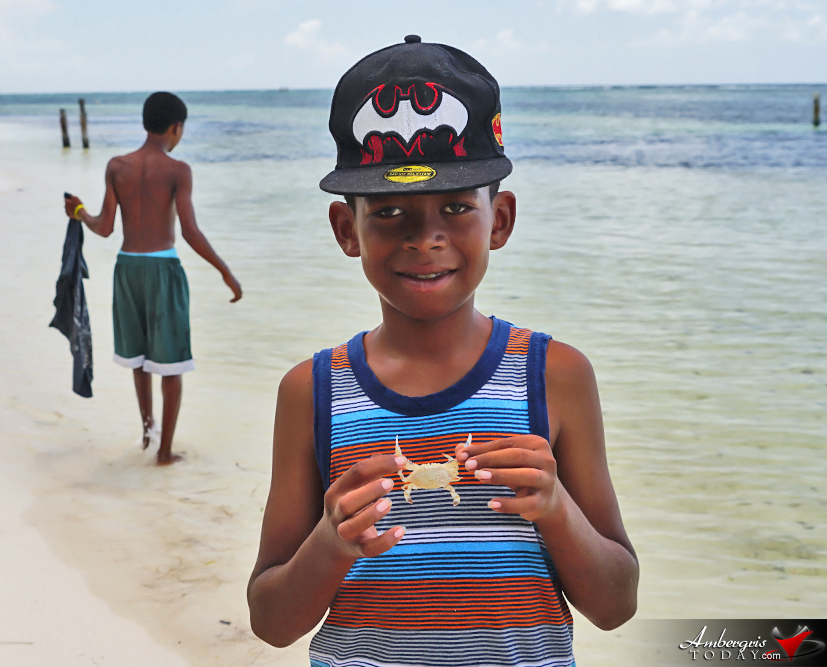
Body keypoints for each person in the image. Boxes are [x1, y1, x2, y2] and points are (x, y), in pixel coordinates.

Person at [247, 36, 638, 666]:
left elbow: (616, 605)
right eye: (391, 212)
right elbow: (270, 619)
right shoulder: (312, 391)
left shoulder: (555, 376)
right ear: (347, 229)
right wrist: (333, 540)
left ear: (500, 220)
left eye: (457, 208)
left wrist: (555, 506)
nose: (425, 238)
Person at [65, 92, 242, 465]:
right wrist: (224, 270)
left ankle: (148, 433)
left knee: (141, 361)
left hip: (127, 269)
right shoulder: (178, 171)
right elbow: (190, 232)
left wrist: (79, 211)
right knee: (171, 365)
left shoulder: (117, 166)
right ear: (176, 127)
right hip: (162, 270)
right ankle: (164, 452)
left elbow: (105, 226)